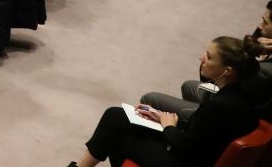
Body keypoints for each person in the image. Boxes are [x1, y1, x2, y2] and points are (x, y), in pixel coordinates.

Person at [69, 36, 262, 167]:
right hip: (195, 151)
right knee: (117, 116)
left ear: (227, 71)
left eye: (209, 57)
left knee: (118, 136)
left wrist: (168, 127)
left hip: (185, 161)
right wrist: (162, 118)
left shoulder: (220, 105)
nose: (201, 58)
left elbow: (189, 148)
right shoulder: (241, 94)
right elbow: (206, 132)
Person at [141, 2, 272, 118]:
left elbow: (221, 82)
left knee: (150, 99)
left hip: (228, 116)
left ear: (228, 70)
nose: (260, 27)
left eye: (265, 22)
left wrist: (168, 125)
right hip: (232, 104)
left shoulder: (264, 72)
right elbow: (247, 49)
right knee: (188, 86)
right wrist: (257, 46)